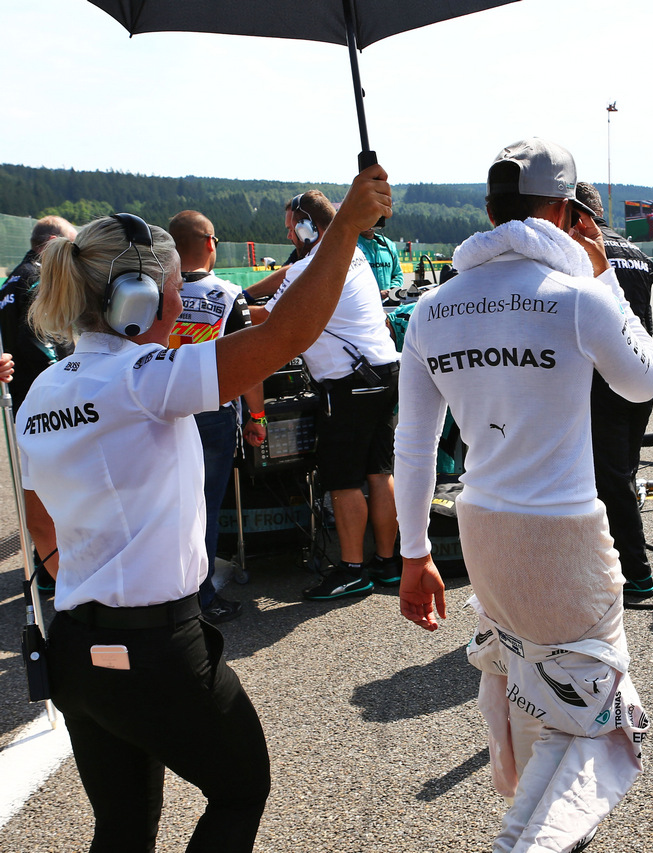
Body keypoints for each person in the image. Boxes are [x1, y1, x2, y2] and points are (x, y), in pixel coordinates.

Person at [15, 166, 392, 850]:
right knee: (241, 788)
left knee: (123, 825)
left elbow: (40, 523)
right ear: (134, 296)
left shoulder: (41, 390)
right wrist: (345, 230)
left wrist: (98, 580)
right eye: (167, 288)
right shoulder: (142, 379)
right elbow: (288, 336)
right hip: (157, 645)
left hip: (73, 642)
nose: (177, 301)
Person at [395, 138, 653, 851]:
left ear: (489, 212)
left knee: (541, 694)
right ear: (570, 214)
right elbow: (644, 381)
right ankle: (523, 843)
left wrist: (414, 553)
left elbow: (414, 445)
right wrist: (604, 280)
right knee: (598, 725)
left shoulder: (432, 307)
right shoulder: (575, 295)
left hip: (481, 525)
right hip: (562, 531)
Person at [260, 190, 402, 600]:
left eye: (292, 228)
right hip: (383, 373)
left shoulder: (307, 270)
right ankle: (388, 564)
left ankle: (352, 569)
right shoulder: (350, 252)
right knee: (379, 473)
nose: (290, 236)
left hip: (348, 384)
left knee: (343, 482)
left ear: (309, 227)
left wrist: (234, 303)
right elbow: (283, 276)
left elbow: (268, 320)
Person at [167, 210, 267, 624]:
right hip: (211, 414)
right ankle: (202, 596)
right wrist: (257, 416)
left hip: (159, 409)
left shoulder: (152, 293)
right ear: (210, 243)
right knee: (203, 508)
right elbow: (248, 364)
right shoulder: (228, 294)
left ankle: (167, 593)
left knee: (166, 506)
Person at [578, 181, 653, 599]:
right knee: (623, 473)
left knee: (608, 479)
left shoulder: (582, 249)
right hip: (642, 372)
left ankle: (635, 572)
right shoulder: (635, 251)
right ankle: (619, 558)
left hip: (606, 378)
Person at [1, 215, 76, 593]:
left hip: (20, 402)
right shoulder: (38, 278)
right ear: (51, 246)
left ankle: (45, 564)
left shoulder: (10, 279)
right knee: (57, 490)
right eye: (69, 246)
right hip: (49, 403)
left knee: (38, 487)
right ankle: (54, 573)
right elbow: (49, 343)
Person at [357, 225, 403, 301]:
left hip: (388, 304)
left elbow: (397, 274)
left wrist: (392, 290)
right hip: (363, 303)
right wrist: (376, 294)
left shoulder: (389, 245)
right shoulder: (350, 245)